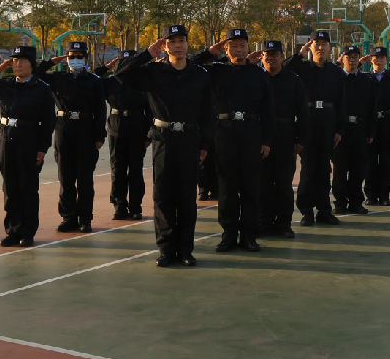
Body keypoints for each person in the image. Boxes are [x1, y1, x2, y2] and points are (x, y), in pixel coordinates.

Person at [113, 25, 213, 267]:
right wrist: (147, 54)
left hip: (189, 139)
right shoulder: (153, 72)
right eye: (172, 41)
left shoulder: (199, 74)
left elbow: (207, 112)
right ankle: (166, 249)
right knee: (163, 196)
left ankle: (186, 250)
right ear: (165, 46)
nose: (178, 45)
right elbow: (121, 74)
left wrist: (205, 144)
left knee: (187, 197)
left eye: (182, 41)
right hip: (163, 140)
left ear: (187, 44)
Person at [193, 28, 274, 253]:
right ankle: (228, 234)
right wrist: (210, 52)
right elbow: (190, 65)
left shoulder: (259, 74)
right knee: (227, 188)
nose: (238, 50)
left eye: (242, 45)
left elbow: (268, 110)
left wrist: (267, 140)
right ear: (226, 49)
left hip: (251, 134)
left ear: (248, 47)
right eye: (233, 46)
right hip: (224, 135)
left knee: (250, 188)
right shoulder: (215, 71)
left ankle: (249, 236)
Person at [0, 45, 56, 247]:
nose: (17, 65)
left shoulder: (41, 89)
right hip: (5, 138)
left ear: (31, 64)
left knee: (27, 187)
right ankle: (12, 230)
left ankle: (27, 232)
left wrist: (42, 148)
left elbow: (49, 121)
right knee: (10, 187)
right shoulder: (4, 84)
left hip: (29, 139)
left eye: (22, 61)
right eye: (15, 61)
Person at [37, 41, 106, 234]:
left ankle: (85, 219)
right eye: (71, 56)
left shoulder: (94, 81)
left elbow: (101, 110)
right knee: (65, 178)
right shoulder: (58, 78)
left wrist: (100, 136)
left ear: (86, 58)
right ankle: (68, 217)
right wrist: (51, 62)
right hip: (64, 129)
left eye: (79, 56)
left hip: (86, 130)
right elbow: (36, 74)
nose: (75, 60)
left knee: (85, 179)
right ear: (66, 59)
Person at [287, 30, 346, 227]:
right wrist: (299, 54)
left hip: (328, 123)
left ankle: (323, 210)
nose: (320, 47)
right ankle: (306, 211)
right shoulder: (302, 68)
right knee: (308, 169)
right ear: (310, 46)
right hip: (307, 122)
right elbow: (284, 69)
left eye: (324, 44)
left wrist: (339, 130)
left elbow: (342, 103)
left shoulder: (336, 72)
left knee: (324, 169)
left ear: (329, 47)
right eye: (316, 44)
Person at [249, 40, 308, 237]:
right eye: (267, 55)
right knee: (262, 183)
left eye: (275, 54)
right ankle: (264, 222)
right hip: (260, 135)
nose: (271, 58)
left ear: (282, 56)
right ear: (262, 57)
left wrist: (300, 139)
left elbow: (303, 112)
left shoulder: (293, 80)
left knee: (283, 184)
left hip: (285, 135)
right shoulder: (257, 78)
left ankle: (284, 224)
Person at [95, 50, 153, 221]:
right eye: (123, 63)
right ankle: (119, 205)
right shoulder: (110, 82)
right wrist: (105, 67)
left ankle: (136, 207)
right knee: (117, 169)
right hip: (116, 128)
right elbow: (93, 79)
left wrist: (148, 135)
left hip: (137, 128)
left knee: (135, 170)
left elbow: (150, 111)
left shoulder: (143, 83)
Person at [331, 45, 377, 214]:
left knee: (359, 169)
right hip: (340, 131)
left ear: (359, 60)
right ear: (342, 59)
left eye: (355, 57)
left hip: (360, 129)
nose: (352, 60)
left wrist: (371, 132)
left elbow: (372, 107)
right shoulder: (336, 79)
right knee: (340, 169)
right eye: (348, 57)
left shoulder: (366, 81)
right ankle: (340, 203)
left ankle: (356, 202)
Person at [364, 46, 390, 204]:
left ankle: (384, 195)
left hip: (388, 123)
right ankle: (370, 194)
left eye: (382, 57)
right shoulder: (366, 79)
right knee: (370, 161)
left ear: (386, 60)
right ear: (371, 59)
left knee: (387, 161)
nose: (379, 60)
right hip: (371, 124)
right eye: (376, 57)